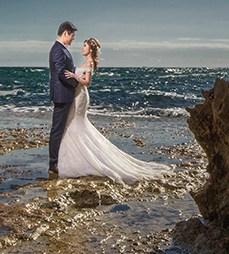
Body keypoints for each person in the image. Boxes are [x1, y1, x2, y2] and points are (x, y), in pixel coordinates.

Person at [57, 38, 170, 183]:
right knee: (72, 123)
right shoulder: (86, 62)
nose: (82, 48)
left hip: (81, 96)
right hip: (77, 95)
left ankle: (82, 160)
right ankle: (74, 157)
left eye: (84, 46)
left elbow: (87, 82)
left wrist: (74, 76)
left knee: (76, 123)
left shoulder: (89, 63)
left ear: (91, 49)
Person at [48, 21, 80, 176]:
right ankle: (53, 163)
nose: (73, 38)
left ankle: (59, 159)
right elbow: (61, 72)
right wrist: (76, 83)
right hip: (61, 95)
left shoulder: (62, 49)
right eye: (72, 35)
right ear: (65, 33)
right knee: (57, 129)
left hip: (64, 94)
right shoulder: (57, 49)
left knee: (61, 128)